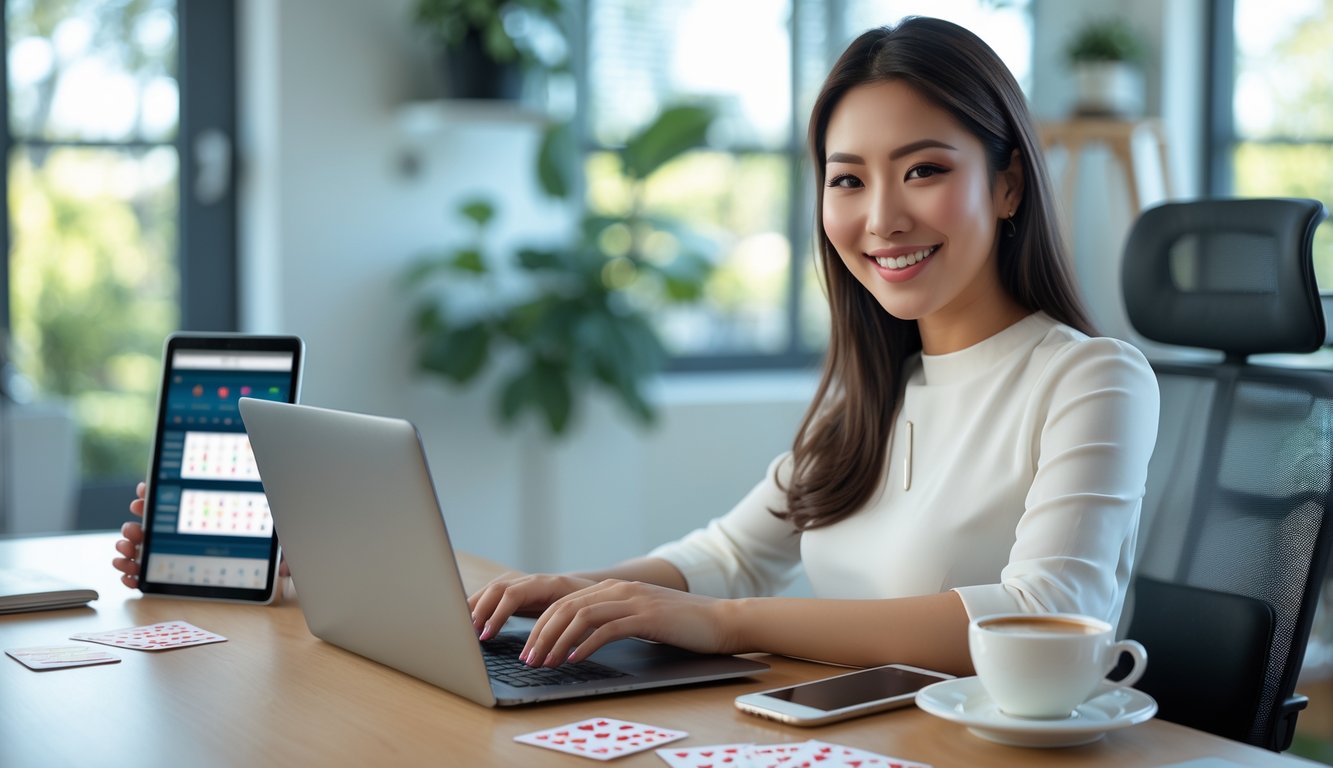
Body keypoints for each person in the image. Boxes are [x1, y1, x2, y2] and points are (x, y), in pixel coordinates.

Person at [112, 16, 1158, 676]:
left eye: (923, 169)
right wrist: (565, 591)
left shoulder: (1089, 379)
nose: (879, 215)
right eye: (846, 178)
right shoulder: (874, 389)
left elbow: (1043, 613)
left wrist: (725, 624)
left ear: (1008, 183)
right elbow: (728, 554)